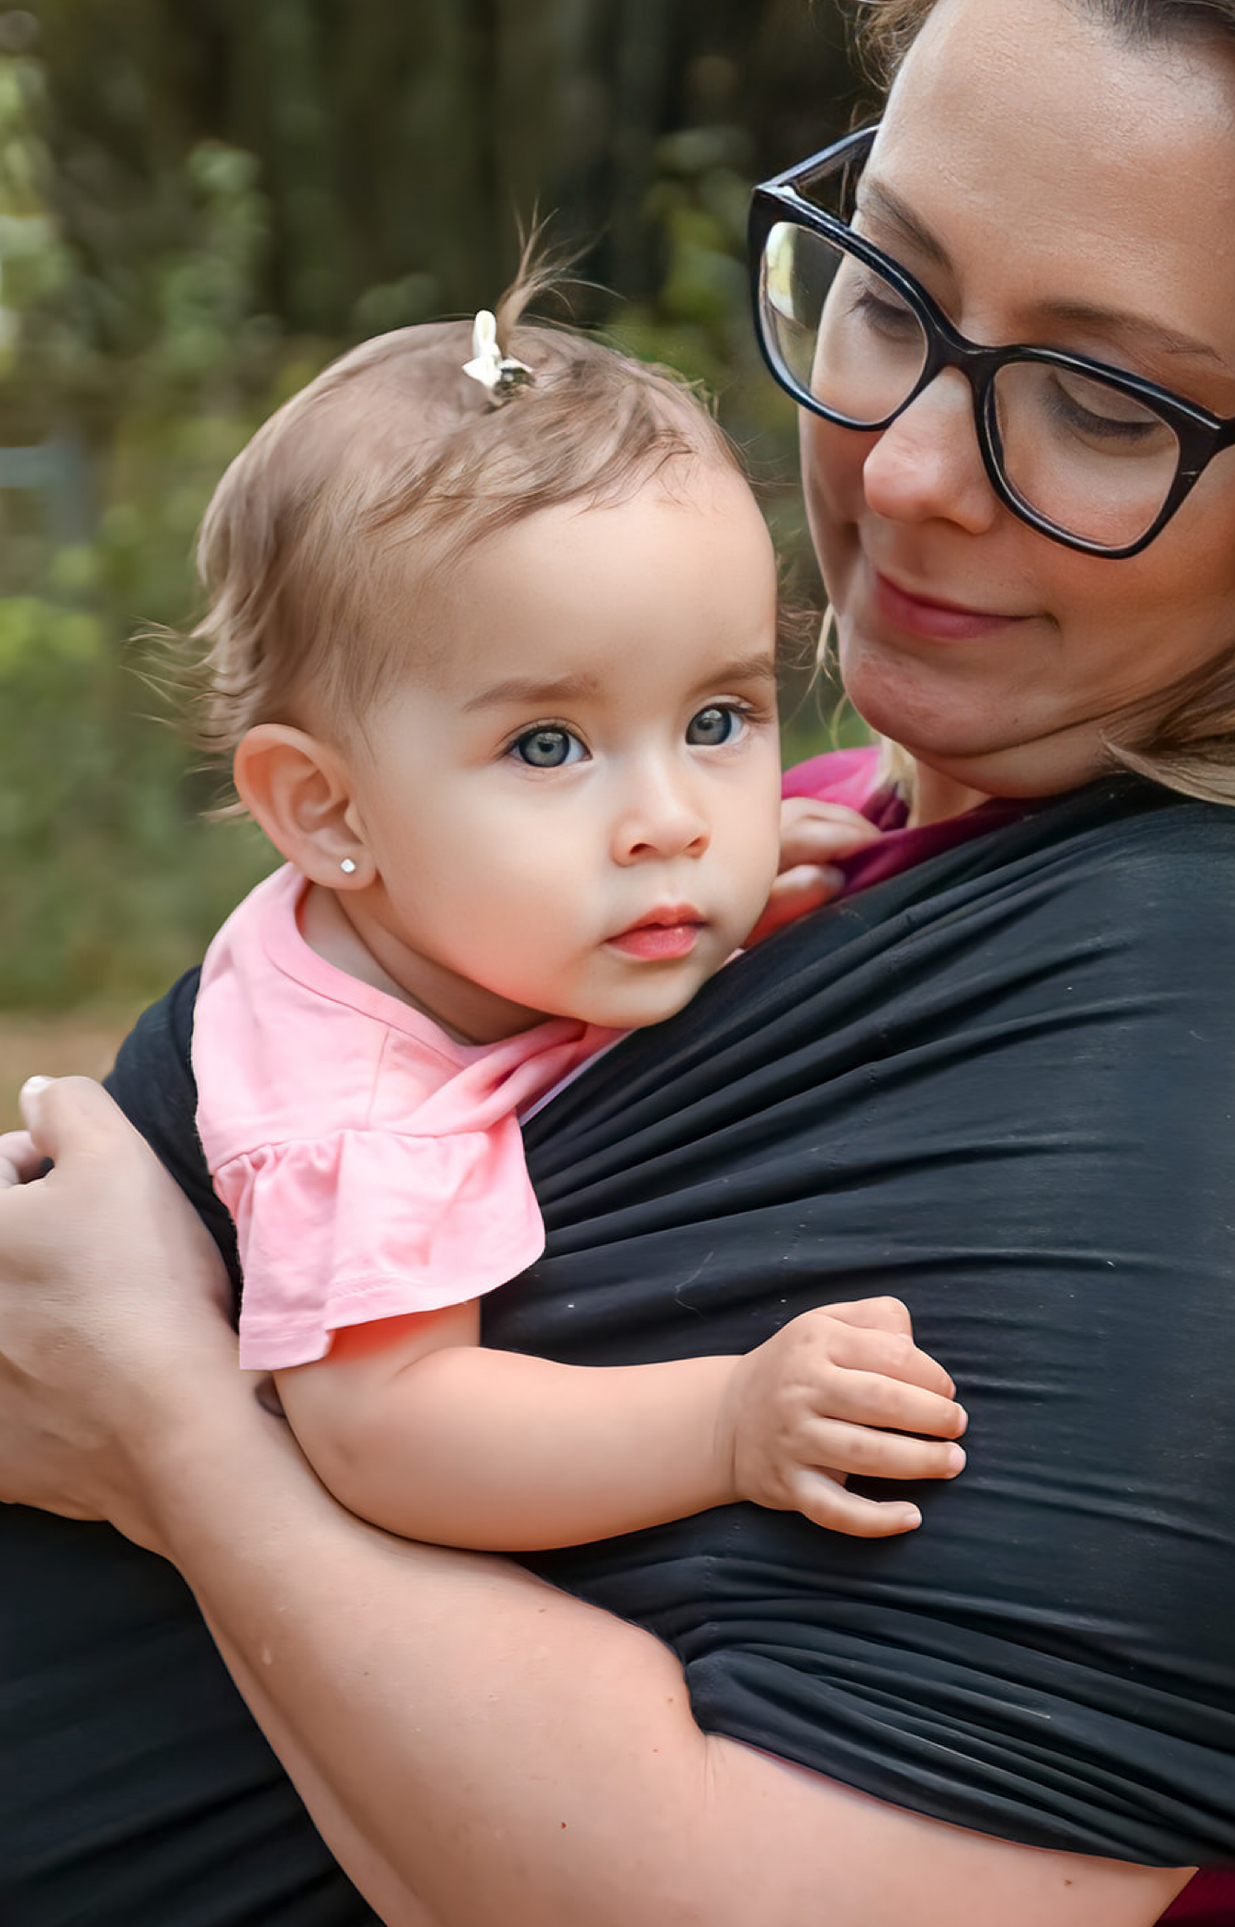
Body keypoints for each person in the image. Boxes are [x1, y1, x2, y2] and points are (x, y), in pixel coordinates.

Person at [2, 1, 1235, 1923]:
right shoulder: (808, 836)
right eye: (888, 289)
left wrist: (160, 1412)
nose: (913, 471)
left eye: (1107, 404)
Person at [127, 293, 963, 1551]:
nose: (672, 821)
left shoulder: (474, 918)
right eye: (548, 744)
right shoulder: (350, 1114)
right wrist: (728, 1420)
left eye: (716, 721)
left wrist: (723, 905)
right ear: (325, 807)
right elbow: (387, 1430)